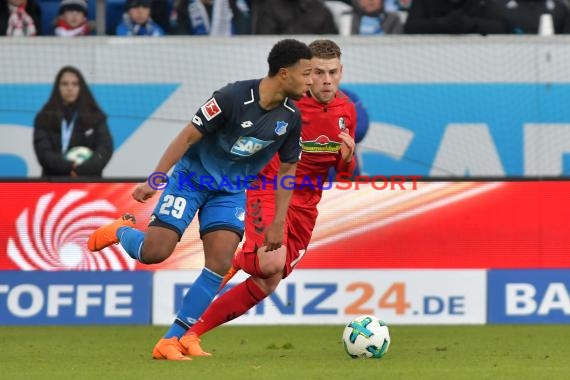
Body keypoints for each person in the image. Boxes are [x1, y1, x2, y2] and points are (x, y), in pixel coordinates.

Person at [87, 39, 313, 360]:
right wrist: (157, 177)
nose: (311, 81)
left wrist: (278, 222)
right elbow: (188, 136)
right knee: (155, 252)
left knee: (219, 264)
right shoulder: (232, 97)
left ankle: (171, 340)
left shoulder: (290, 118)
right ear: (284, 73)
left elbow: (288, 169)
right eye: (306, 73)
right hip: (191, 180)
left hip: (230, 191)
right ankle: (120, 231)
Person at [178, 39, 357, 357]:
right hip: (269, 188)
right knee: (270, 262)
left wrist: (346, 158)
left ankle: (191, 334)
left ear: (341, 72)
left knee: (268, 281)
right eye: (317, 72)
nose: (325, 80)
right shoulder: (289, 106)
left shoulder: (347, 112)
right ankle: (242, 259)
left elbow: (343, 176)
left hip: (306, 203)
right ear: (306, 73)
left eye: (332, 72)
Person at [33, 66, 113, 177]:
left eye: (75, 84)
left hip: (89, 181)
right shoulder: (44, 117)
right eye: (65, 84)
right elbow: (44, 153)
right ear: (57, 87)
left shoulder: (96, 116)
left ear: (81, 87)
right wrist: (69, 167)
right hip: (53, 181)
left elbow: (104, 149)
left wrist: (82, 169)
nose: (70, 88)